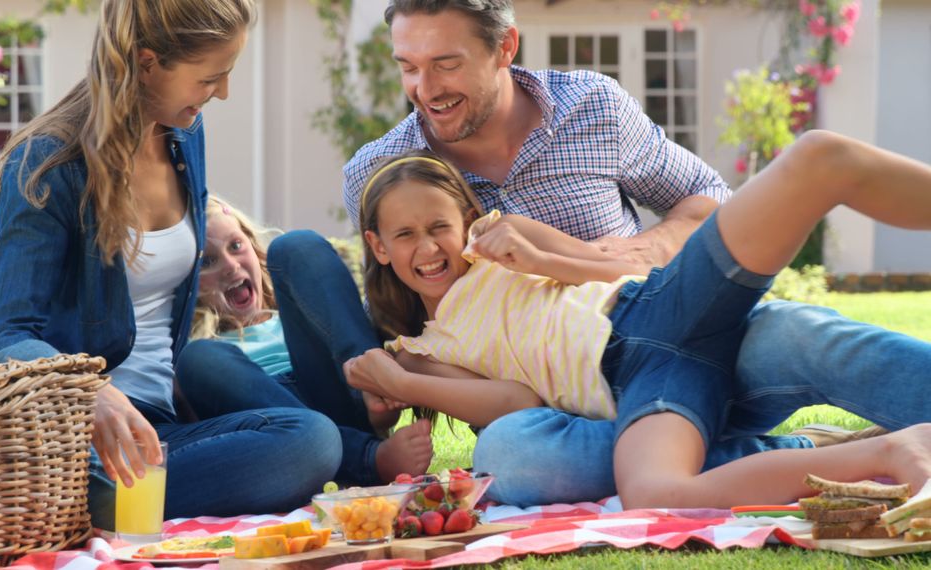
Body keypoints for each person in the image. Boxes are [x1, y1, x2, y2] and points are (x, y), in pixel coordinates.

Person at [333, 0, 897, 505]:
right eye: (408, 66)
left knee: (799, 336)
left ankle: (821, 168)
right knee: (516, 459)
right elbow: (441, 358)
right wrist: (389, 395)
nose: (425, 88)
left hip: (656, 307)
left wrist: (626, 250)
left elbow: (706, 203)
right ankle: (796, 452)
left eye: (446, 63)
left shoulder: (590, 109)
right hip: (582, 408)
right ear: (379, 244)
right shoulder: (379, 175)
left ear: (504, 46)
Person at [344, 135, 931, 508]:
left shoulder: (504, 233)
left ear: (466, 217)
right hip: (637, 380)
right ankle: (889, 454)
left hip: (658, 306)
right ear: (378, 246)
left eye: (438, 227)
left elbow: (611, 266)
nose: (428, 247)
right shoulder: (424, 346)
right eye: (405, 235)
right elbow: (518, 402)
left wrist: (541, 260)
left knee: (816, 159)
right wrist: (401, 384)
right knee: (655, 492)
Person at [0, 0, 341, 527]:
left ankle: (118, 506)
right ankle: (90, 504)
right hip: (78, 444)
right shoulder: (47, 164)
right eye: (210, 77)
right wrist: (90, 391)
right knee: (305, 449)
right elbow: (5, 338)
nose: (222, 92)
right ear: (147, 63)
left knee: (311, 438)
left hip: (166, 430)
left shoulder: (184, 135)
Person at [174, 197, 433, 485]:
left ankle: (374, 385)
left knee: (295, 245)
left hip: (335, 390)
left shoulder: (296, 309)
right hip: (272, 418)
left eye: (236, 246)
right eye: (208, 261)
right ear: (188, 284)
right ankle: (366, 458)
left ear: (252, 247)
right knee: (198, 358)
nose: (231, 266)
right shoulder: (198, 343)